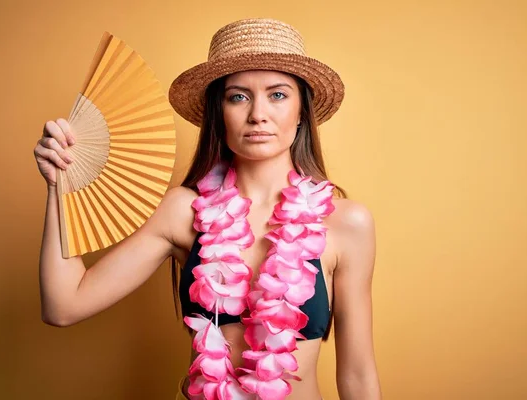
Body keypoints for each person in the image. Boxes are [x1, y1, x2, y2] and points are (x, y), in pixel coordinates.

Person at [34, 18, 381, 400]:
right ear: (219, 113)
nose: (258, 114)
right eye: (238, 96)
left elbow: (358, 375)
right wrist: (58, 185)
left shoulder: (345, 222)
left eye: (278, 95)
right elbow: (63, 305)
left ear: (302, 112)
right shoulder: (183, 211)